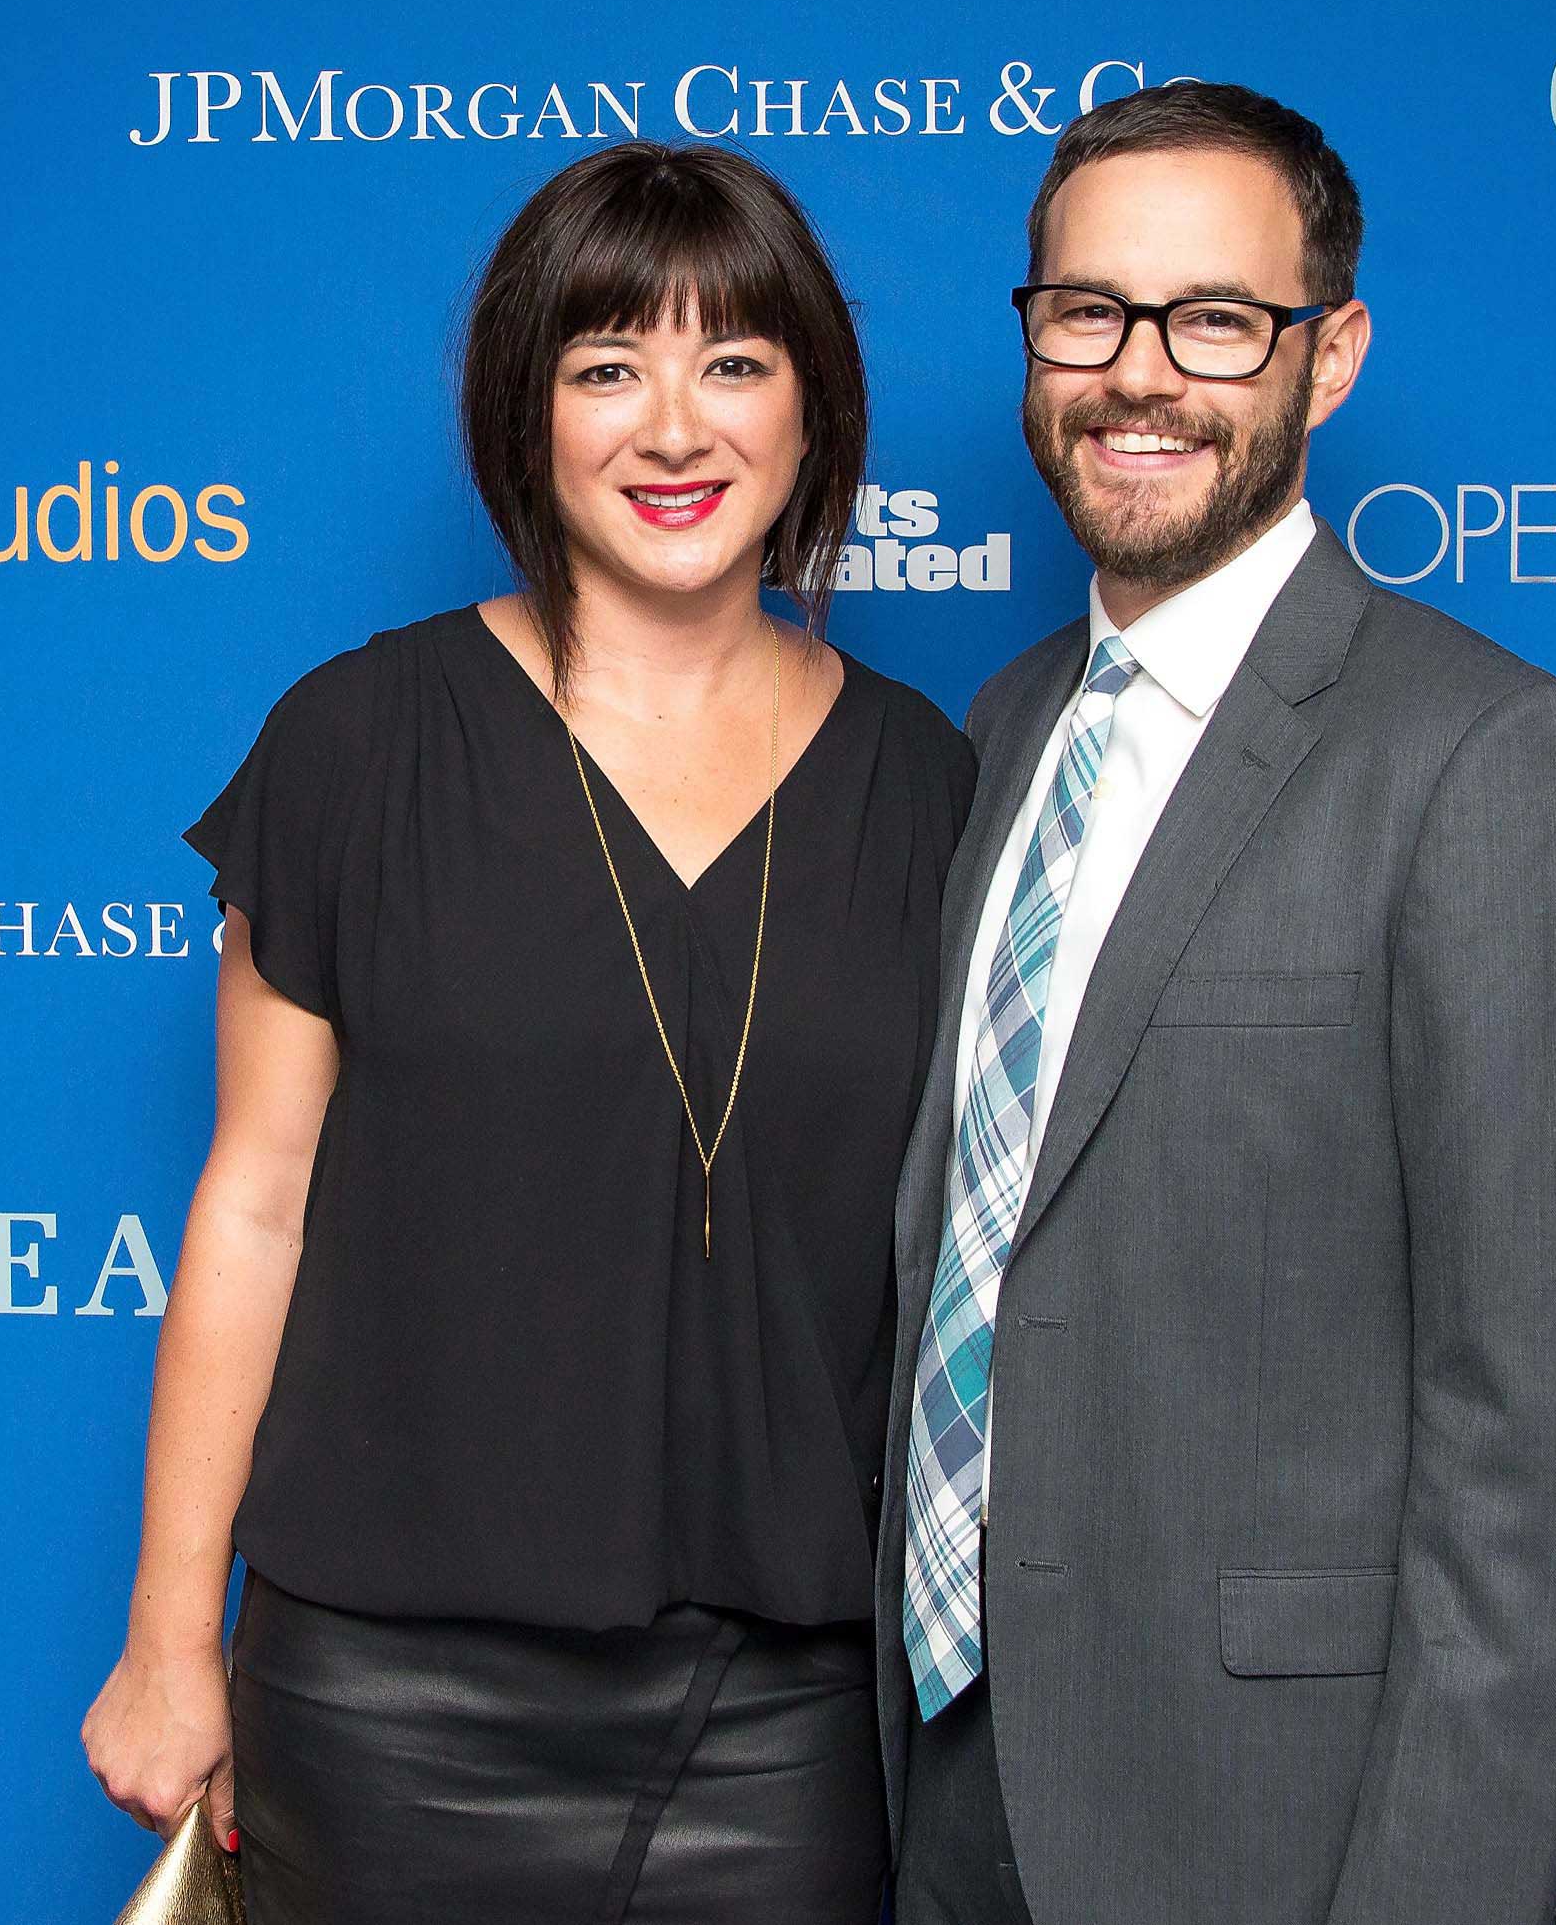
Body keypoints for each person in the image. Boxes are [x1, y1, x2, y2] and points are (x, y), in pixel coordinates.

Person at [83, 140, 975, 1925]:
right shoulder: (357, 746)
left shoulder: (938, 785)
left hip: (788, 1722)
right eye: (604, 369)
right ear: (527, 414)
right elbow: (253, 1205)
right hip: (388, 1705)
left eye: (735, 364)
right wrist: (171, 1647)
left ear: (813, 412)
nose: (674, 428)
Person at [877, 81, 1556, 1925]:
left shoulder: (1497, 761)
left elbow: (1542, 1453)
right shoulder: (1005, 731)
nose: (1138, 374)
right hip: (949, 1779)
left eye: (1216, 321)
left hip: (1278, 1820)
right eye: (1088, 311)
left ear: (1330, 359)